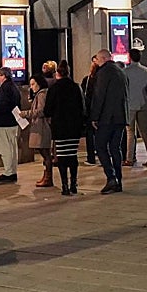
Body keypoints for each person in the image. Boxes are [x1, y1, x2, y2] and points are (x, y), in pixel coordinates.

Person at [89, 49, 129, 194]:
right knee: (115, 148)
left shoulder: (103, 73)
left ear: (103, 58)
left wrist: (94, 117)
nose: (97, 62)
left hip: (107, 118)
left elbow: (99, 96)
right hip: (121, 117)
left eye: (98, 59)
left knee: (100, 146)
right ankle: (118, 179)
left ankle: (111, 178)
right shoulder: (121, 71)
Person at [44, 61, 85, 196]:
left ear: (57, 73)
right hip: (74, 126)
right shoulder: (75, 87)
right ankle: (74, 183)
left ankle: (65, 185)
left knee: (62, 156)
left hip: (60, 126)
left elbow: (48, 109)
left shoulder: (54, 89)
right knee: (72, 155)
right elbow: (81, 106)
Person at [123, 48, 147, 166]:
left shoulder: (125, 71)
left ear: (130, 57)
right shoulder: (145, 70)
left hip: (130, 104)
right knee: (144, 132)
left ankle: (130, 158)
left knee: (130, 132)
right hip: (143, 103)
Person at [0, 67, 22, 183]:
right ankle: (12, 171)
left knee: (5, 149)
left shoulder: (4, 88)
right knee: (12, 148)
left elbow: (2, 105)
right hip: (13, 122)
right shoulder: (14, 87)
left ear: (4, 76)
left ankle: (8, 172)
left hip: (4, 122)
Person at [25, 73, 54, 187]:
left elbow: (40, 111)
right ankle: (46, 176)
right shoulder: (40, 94)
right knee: (44, 153)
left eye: (33, 84)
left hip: (42, 127)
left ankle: (48, 177)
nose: (31, 87)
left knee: (45, 153)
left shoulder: (42, 95)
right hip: (40, 126)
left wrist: (26, 114)